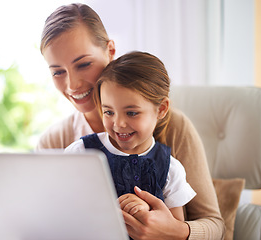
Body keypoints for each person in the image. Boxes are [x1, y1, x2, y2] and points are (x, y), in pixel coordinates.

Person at [37, 3, 224, 240]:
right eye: (57, 72)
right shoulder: (55, 141)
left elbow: (216, 226)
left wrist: (173, 230)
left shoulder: (176, 129)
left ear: (110, 50)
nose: (72, 85)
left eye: (83, 64)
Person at [64, 51, 197, 225]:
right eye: (109, 112)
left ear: (162, 109)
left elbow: (174, 229)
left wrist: (147, 212)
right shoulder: (80, 153)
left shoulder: (171, 169)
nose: (118, 124)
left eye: (132, 113)